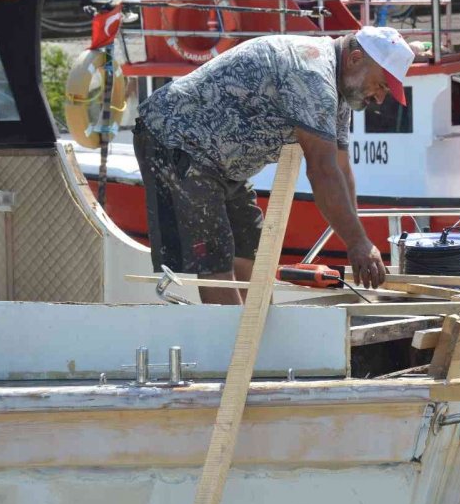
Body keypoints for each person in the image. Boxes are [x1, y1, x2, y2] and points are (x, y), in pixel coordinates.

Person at [132, 26, 415, 304]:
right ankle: (232, 332)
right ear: (355, 58)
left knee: (252, 251)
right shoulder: (313, 76)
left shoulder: (339, 90)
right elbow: (322, 170)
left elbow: (341, 169)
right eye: (381, 85)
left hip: (219, 160)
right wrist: (356, 242)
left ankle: (257, 326)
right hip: (174, 139)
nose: (380, 98)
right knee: (216, 259)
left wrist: (358, 239)